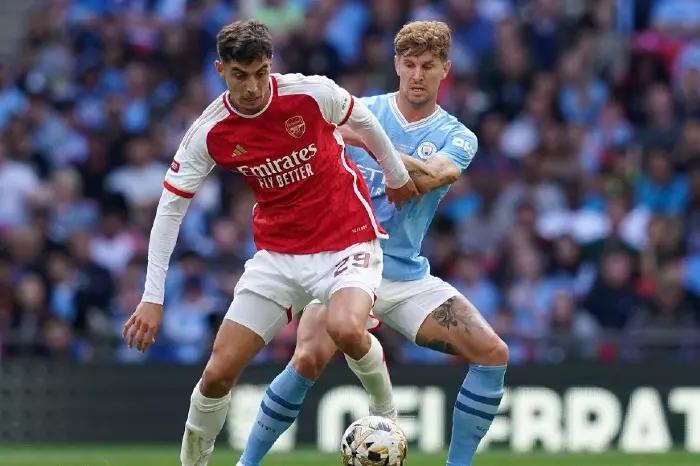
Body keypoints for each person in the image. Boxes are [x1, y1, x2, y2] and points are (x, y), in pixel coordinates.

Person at [120, 19, 419, 466]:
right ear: (221, 70)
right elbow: (170, 210)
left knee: (345, 328)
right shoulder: (211, 132)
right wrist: (152, 297)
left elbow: (363, 118)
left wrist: (395, 175)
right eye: (240, 76)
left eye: (260, 73)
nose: (253, 87)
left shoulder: (310, 93)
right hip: (278, 256)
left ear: (270, 65)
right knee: (218, 375)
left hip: (347, 240)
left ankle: (385, 415)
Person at [239, 21, 509, 466]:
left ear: (446, 70)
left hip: (404, 273)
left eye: (428, 65)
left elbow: (436, 176)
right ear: (396, 66)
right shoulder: (359, 110)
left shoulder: (457, 135)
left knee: (493, 353)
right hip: (343, 263)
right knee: (307, 358)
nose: (418, 75)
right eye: (410, 64)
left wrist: (373, 145)